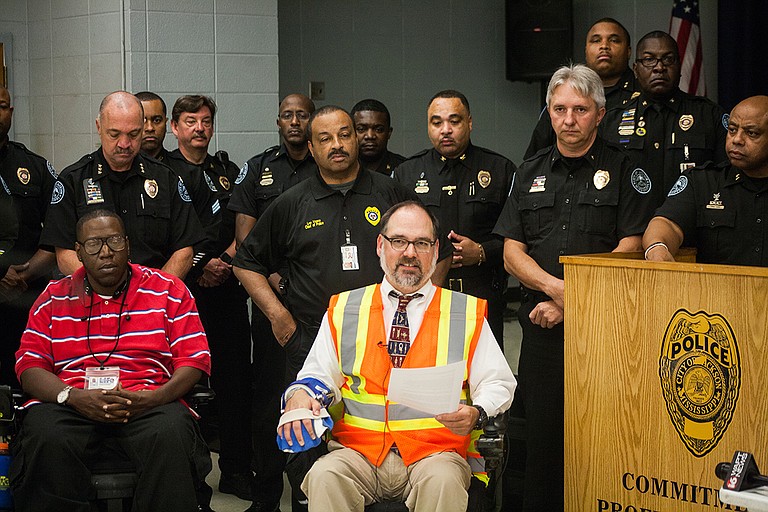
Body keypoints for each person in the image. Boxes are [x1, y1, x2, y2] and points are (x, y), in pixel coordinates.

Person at [278, 200, 516, 511]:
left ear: (435, 250)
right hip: (358, 453)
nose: (409, 253)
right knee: (325, 475)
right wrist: (299, 395)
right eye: (399, 241)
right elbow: (318, 374)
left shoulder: (465, 312)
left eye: (421, 243)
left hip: (436, 454)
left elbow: (499, 382)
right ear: (380, 245)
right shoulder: (346, 308)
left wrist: (478, 412)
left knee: (443, 480)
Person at [493, 64, 652, 511]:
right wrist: (555, 290)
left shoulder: (627, 170)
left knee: (606, 438)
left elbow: (632, 246)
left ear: (600, 114)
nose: (569, 119)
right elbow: (511, 252)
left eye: (580, 109)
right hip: (542, 334)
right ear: (549, 112)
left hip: (608, 333)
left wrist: (574, 300)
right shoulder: (528, 172)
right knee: (544, 445)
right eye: (560, 109)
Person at [11, 209, 212, 512]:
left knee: (172, 432)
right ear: (78, 252)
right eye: (93, 244)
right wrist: (72, 396)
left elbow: (195, 360)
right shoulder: (53, 297)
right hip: (70, 401)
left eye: (114, 241)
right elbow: (29, 366)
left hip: (148, 400)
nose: (106, 252)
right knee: (45, 433)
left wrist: (153, 398)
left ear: (128, 245)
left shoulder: (168, 290)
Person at [227, 92, 317, 511]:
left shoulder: (328, 165)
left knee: (317, 395)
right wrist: (274, 276)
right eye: (287, 115)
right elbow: (246, 235)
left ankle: (309, 491)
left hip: (316, 303)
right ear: (278, 122)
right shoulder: (260, 167)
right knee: (267, 400)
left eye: (302, 115)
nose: (295, 121)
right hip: (269, 303)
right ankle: (265, 494)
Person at [162, 95, 254, 500]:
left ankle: (235, 471)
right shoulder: (162, 171)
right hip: (184, 296)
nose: (199, 128)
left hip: (229, 290)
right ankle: (192, 479)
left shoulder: (228, 171)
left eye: (205, 121)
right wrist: (200, 268)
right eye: (190, 121)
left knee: (235, 385)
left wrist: (225, 261)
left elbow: (246, 221)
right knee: (185, 385)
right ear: (174, 127)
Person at [41, 91, 204, 279]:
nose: (125, 143)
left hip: (153, 300)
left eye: (133, 134)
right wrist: (104, 290)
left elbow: (184, 251)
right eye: (115, 134)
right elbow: (64, 254)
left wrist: (153, 293)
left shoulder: (165, 178)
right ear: (99, 127)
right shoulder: (73, 181)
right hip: (94, 299)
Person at [394, 90, 515, 344]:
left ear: (469, 123)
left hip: (482, 296)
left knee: (481, 375)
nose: (445, 129)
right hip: (424, 296)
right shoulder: (407, 173)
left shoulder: (500, 169)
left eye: (454, 121)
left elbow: (518, 236)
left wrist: (482, 252)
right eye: (437, 122)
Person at [602, 31, 728, 208]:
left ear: (680, 66)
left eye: (668, 59)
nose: (659, 67)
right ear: (636, 69)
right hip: (631, 229)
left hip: (694, 227)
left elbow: (727, 179)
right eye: (648, 59)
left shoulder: (709, 115)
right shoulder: (612, 120)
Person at [643, 95, 768, 266]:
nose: (737, 139)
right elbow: (666, 223)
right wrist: (658, 249)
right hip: (717, 290)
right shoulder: (703, 181)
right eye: (732, 130)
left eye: (751, 133)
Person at [0, 85, 58, 387]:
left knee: (23, 378)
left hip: (26, 297)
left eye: (1, 106)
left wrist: (23, 274)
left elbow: (59, 232)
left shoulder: (34, 167)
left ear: (10, 112)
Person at [524, 18, 639, 159]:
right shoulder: (562, 97)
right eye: (596, 40)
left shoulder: (644, 96)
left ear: (628, 51)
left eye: (614, 40)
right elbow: (534, 162)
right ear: (586, 50)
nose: (604, 46)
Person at [350, 98, 405, 175]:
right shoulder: (342, 168)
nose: (370, 136)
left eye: (379, 129)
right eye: (361, 129)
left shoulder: (404, 169)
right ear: (351, 132)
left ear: (389, 133)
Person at [135, 91, 169, 162]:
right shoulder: (118, 167)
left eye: (157, 120)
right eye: (142, 121)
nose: (150, 128)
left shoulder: (181, 169)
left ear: (166, 123)